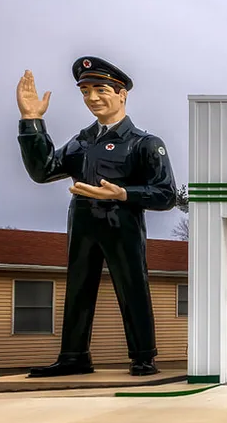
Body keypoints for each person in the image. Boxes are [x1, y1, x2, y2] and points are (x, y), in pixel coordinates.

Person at [16, 56, 177, 377]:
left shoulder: (143, 143)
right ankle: (74, 355)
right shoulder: (81, 142)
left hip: (122, 224)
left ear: (121, 94)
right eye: (86, 91)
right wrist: (31, 121)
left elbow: (166, 193)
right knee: (78, 289)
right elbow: (43, 170)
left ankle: (144, 355)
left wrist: (124, 194)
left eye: (100, 89)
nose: (93, 98)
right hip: (83, 224)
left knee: (132, 286)